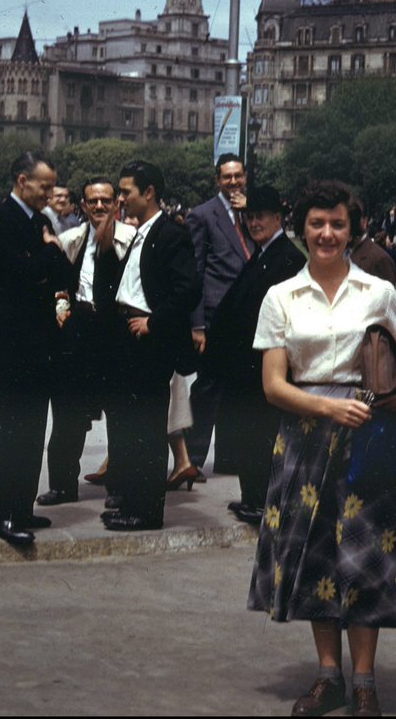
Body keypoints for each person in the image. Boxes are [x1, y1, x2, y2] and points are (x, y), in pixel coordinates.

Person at [248, 181, 396, 718]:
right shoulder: (281, 296)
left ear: (354, 229)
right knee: (315, 556)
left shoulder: (379, 291)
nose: (327, 234)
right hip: (303, 441)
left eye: (338, 224)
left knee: (366, 562)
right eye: (318, 224)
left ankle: (365, 682)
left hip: (367, 439)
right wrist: (329, 409)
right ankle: (329, 677)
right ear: (302, 229)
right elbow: (274, 385)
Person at [102, 160, 200, 531]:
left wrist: (154, 322)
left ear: (149, 193)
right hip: (128, 336)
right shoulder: (141, 233)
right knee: (130, 425)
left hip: (148, 341)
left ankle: (145, 510)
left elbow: (188, 290)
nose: (121, 198)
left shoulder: (171, 234)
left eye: (126, 191)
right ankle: (130, 500)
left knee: (145, 427)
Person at [0, 152, 70, 545]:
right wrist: (47, 253)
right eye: (44, 186)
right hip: (13, 343)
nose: (49, 194)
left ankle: (22, 505)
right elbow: (21, 273)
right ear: (22, 181)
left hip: (39, 342)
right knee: (14, 428)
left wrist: (46, 257)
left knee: (34, 429)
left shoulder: (42, 222)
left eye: (52, 187)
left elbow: (62, 274)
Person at [204, 185, 305, 524]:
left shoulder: (288, 257)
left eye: (261, 216)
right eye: (249, 216)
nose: (254, 222)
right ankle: (251, 496)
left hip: (264, 362)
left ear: (278, 217)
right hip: (245, 363)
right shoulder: (262, 254)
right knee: (248, 434)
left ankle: (262, 500)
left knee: (261, 435)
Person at [36, 177, 135, 507]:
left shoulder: (131, 240)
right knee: (67, 413)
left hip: (116, 331)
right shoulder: (71, 240)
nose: (99, 206)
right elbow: (58, 287)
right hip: (79, 329)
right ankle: (63, 485)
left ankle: (120, 486)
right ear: (82, 205)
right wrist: (62, 313)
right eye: (92, 201)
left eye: (106, 200)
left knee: (119, 414)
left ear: (116, 204)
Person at [185, 153, 252, 479]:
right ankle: (193, 458)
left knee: (236, 389)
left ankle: (228, 457)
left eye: (238, 176)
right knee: (208, 389)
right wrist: (196, 324)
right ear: (217, 181)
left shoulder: (253, 215)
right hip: (213, 316)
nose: (234, 182)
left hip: (246, 317)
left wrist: (248, 214)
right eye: (227, 177)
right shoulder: (202, 216)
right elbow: (195, 273)